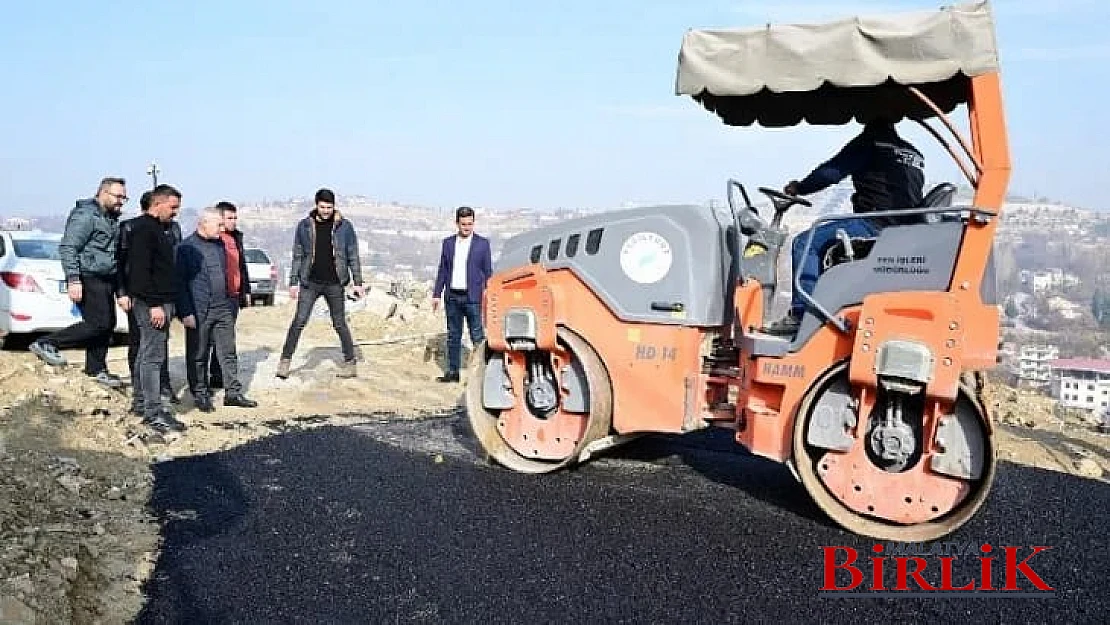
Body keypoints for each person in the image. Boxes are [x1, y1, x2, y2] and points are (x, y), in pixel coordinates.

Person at [763, 118, 925, 336]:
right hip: (903, 229)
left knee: (805, 242)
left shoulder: (871, 142)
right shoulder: (914, 153)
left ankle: (802, 315)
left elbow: (830, 173)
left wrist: (799, 187)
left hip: (874, 224)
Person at [29, 177, 127, 388]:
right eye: (118, 196)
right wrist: (74, 279)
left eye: (123, 197)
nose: (121, 201)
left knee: (107, 324)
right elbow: (68, 247)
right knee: (97, 323)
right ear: (103, 192)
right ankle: (47, 342)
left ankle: (96, 369)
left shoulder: (109, 218)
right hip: (88, 276)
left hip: (105, 277)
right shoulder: (85, 215)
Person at [276, 188, 365, 380]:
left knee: (340, 323)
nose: (326, 210)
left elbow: (352, 255)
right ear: (316, 205)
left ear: (334, 206)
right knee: (299, 321)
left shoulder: (345, 227)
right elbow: (298, 255)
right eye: (323, 207)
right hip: (310, 282)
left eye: (329, 207)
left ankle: (350, 363)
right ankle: (285, 361)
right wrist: (293, 282)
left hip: (335, 283)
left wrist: (358, 282)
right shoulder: (304, 226)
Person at [176, 207, 258, 411]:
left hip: (223, 307)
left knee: (228, 352)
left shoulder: (220, 244)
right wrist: (185, 312)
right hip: (199, 309)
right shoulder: (186, 248)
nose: (222, 229)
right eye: (218, 224)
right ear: (203, 224)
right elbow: (179, 283)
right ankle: (200, 394)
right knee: (199, 354)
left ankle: (233, 393)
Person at [126, 184, 186, 433]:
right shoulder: (143, 230)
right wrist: (154, 305)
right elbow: (139, 273)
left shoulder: (160, 229)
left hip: (160, 300)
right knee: (152, 357)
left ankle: (142, 403)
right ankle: (153, 412)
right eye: (172, 208)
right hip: (153, 303)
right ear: (157, 203)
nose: (175, 213)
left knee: (146, 353)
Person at [431, 206, 493, 382]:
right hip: (452, 296)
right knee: (453, 335)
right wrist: (437, 293)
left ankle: (485, 374)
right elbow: (443, 269)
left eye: (470, 224)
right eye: (464, 224)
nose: (467, 227)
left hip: (473, 297)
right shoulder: (448, 243)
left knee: (477, 336)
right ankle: (453, 372)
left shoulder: (482, 244)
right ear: (457, 223)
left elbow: (488, 272)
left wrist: (488, 295)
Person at [207, 201, 251, 390]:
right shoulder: (214, 240)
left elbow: (241, 266)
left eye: (235, 218)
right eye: (229, 218)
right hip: (218, 297)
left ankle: (219, 375)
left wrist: (245, 291)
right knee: (210, 339)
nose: (233, 222)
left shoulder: (235, 238)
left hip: (233, 296)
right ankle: (208, 377)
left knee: (226, 340)